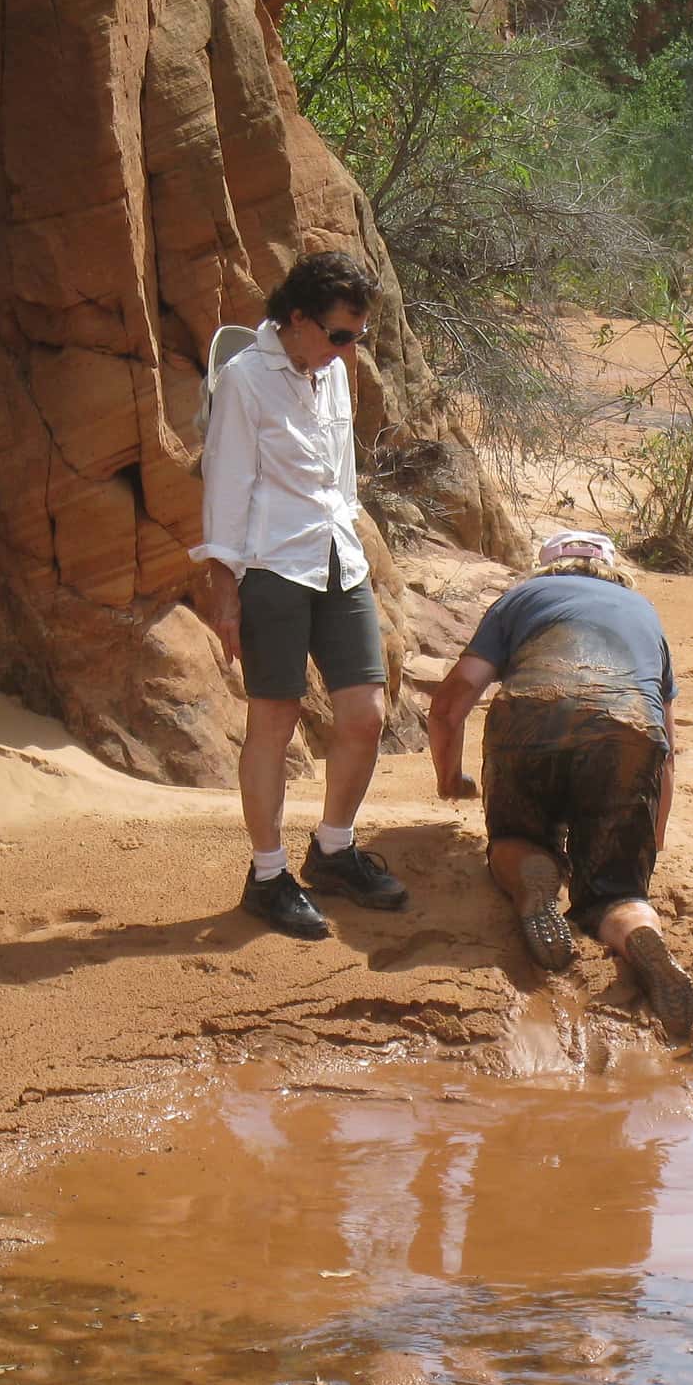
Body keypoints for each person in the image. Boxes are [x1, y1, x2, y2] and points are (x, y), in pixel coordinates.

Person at [190, 251, 409, 939]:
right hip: (272, 568)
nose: (349, 350)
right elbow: (225, 486)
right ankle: (266, 875)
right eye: (339, 335)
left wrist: (360, 552)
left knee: (365, 714)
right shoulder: (246, 380)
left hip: (337, 562)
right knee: (274, 724)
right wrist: (224, 589)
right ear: (296, 319)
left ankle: (334, 849)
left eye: (357, 337)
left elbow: (341, 481)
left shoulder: (333, 374)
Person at [426, 530, 693, 1042]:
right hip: (626, 725)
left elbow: (452, 700)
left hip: (532, 709)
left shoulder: (522, 598)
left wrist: (449, 776)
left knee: (516, 838)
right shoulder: (644, 614)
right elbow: (665, 748)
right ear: (614, 571)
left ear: (548, 568)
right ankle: (640, 933)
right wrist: (650, 837)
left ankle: (535, 872)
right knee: (616, 889)